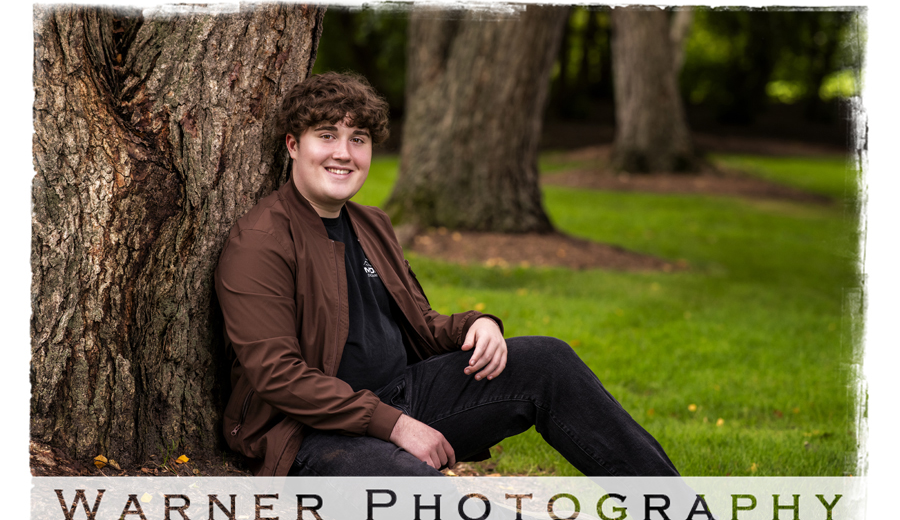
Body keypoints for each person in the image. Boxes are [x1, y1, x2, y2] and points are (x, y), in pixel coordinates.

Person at [214, 71, 680, 482]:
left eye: (358, 139)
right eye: (326, 135)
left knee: (546, 361)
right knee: (423, 499)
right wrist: (393, 425)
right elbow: (278, 376)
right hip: (309, 433)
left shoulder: (371, 222)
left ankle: (681, 514)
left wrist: (476, 325)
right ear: (294, 145)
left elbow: (420, 321)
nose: (344, 153)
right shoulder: (261, 240)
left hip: (403, 396)